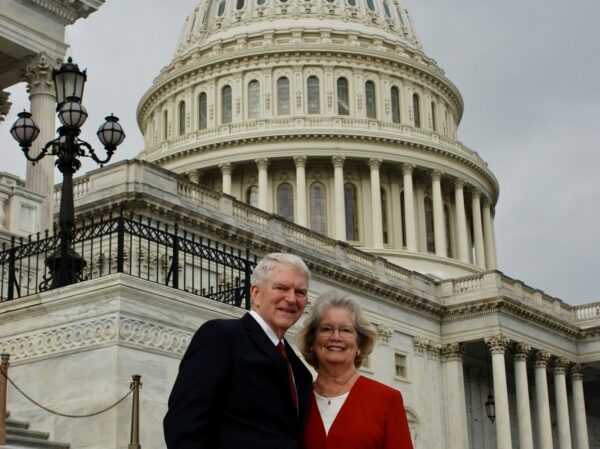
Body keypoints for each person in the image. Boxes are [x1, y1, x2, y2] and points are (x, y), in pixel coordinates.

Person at [163, 252, 313, 449]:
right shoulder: (221, 336)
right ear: (256, 293)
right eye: (281, 288)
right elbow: (184, 423)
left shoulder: (298, 369)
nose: (292, 299)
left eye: (300, 292)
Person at [298, 291, 414, 449]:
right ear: (312, 340)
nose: (336, 337)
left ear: (359, 343)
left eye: (345, 330)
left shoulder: (387, 400)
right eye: (326, 329)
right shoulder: (298, 400)